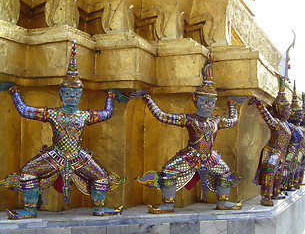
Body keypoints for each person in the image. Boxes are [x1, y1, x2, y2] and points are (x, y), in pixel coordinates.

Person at [0, 40, 127, 219]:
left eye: (75, 94)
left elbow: (107, 114)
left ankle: (99, 208)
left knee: (102, 177)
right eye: (67, 93)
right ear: (61, 94)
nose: (71, 97)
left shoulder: (84, 115)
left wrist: (111, 95)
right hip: (55, 154)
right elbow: (24, 110)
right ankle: (29, 209)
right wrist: (13, 91)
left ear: (81, 95)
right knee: (27, 172)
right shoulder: (52, 114)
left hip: (77, 155)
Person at [131, 51, 246, 214]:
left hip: (211, 156)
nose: (208, 106)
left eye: (211, 103)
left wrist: (232, 103)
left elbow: (233, 120)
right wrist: (146, 97)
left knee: (226, 173)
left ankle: (223, 201)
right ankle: (168, 204)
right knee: (168, 171)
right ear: (195, 100)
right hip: (190, 155)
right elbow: (162, 116)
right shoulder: (189, 120)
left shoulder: (217, 121)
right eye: (204, 101)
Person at [249, 77, 292, 206]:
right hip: (272, 151)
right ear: (279, 109)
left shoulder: (286, 125)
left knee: (278, 174)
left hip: (281, 153)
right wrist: (260, 105)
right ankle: (265, 196)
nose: (289, 112)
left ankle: (275, 192)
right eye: (286, 109)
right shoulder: (277, 123)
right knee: (269, 172)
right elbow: (268, 118)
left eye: (289, 109)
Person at [282, 81, 304, 192]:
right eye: (298, 115)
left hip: (299, 151)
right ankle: (283, 185)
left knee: (297, 166)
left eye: (301, 115)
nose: (300, 117)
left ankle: (294, 182)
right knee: (287, 168)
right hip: (290, 150)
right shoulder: (289, 126)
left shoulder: (301, 128)